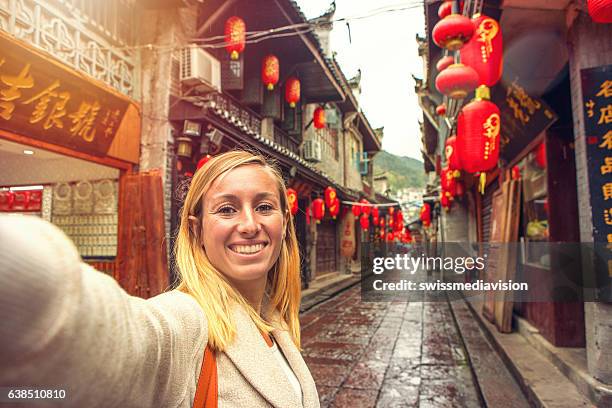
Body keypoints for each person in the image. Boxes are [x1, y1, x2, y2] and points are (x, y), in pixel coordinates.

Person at [0, 150, 320, 407]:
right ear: (196, 231)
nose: (250, 224)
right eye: (226, 210)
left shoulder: (274, 321)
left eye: (264, 206)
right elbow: (119, 341)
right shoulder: (187, 322)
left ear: (285, 223)